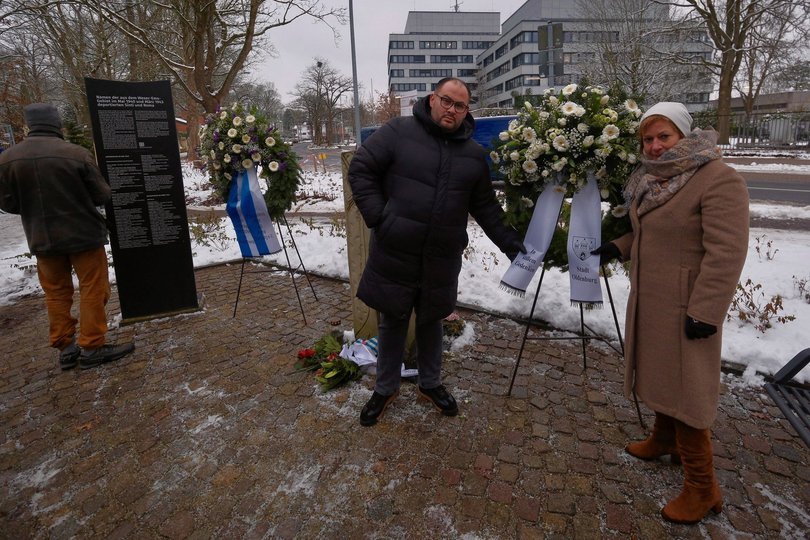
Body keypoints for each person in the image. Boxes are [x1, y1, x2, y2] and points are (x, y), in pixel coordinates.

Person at [592, 102, 749, 524]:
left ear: (684, 135)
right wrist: (619, 246)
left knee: (688, 392)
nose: (656, 146)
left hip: (687, 307)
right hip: (653, 300)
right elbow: (655, 232)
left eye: (665, 137)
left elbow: (727, 253)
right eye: (649, 139)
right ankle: (664, 439)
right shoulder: (650, 180)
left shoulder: (717, 178)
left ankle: (702, 488)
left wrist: (706, 311)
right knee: (662, 374)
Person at [348, 77, 525, 427]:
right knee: (392, 319)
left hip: (441, 254)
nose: (452, 110)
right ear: (433, 99)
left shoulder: (473, 156)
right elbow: (361, 168)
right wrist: (380, 218)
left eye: (460, 106)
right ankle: (386, 388)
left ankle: (430, 383)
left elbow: (487, 208)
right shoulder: (398, 131)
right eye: (447, 101)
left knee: (432, 318)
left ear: (466, 111)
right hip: (396, 247)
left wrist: (513, 246)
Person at [0, 103, 135, 370]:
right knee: (92, 289)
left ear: (29, 125)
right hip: (84, 235)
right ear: (56, 125)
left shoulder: (8, 160)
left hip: (43, 238)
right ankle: (92, 345)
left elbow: (7, 203)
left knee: (56, 293)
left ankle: (66, 347)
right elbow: (102, 195)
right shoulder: (76, 154)